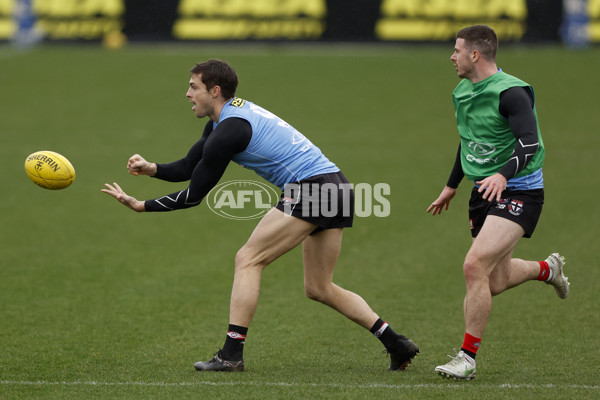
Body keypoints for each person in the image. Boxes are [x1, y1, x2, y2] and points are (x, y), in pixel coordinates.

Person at [102, 59, 419, 372]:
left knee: (248, 259)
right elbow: (189, 166)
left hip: (312, 188)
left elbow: (194, 196)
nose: (187, 93)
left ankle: (231, 355)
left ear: (214, 91)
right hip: (336, 186)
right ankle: (396, 343)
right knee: (319, 288)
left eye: (193, 87)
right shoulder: (223, 120)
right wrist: (152, 169)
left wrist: (141, 205)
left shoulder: (230, 130)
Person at [426, 25, 570, 380]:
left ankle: (467, 358)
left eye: (457, 50)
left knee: (474, 266)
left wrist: (504, 175)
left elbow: (529, 143)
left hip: (519, 190)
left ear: (475, 54)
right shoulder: (463, 90)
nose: (452, 56)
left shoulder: (512, 93)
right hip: (483, 192)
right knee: (495, 280)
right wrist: (452, 185)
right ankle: (547, 270)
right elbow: (471, 140)